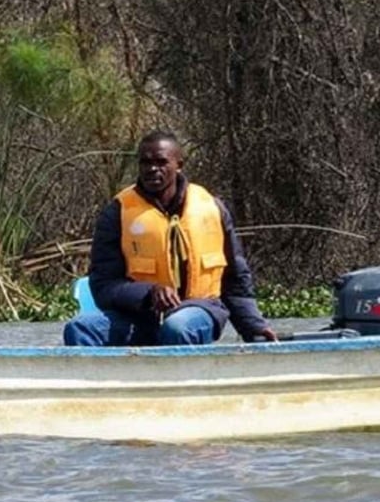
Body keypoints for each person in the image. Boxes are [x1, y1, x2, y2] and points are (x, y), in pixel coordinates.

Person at [62, 131, 276, 347]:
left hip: (200, 310)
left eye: (161, 162)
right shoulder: (117, 212)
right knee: (80, 327)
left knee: (177, 326)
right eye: (145, 162)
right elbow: (103, 285)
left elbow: (235, 277)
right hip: (138, 317)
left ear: (179, 164)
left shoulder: (211, 208)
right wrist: (148, 293)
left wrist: (254, 327)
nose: (153, 169)